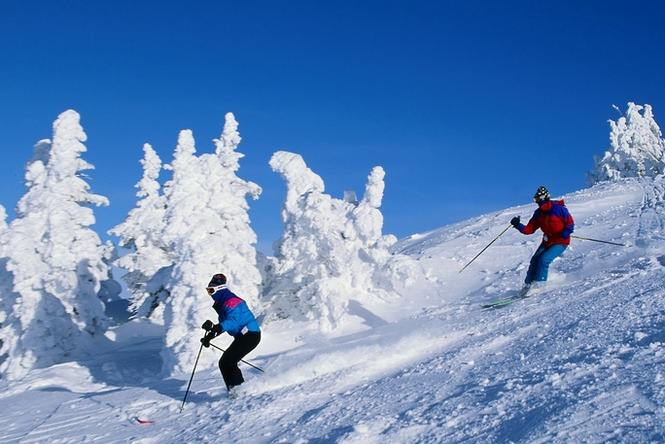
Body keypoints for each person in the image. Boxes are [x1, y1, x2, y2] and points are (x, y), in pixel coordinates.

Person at [200, 273, 261, 396]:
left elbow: (234, 321)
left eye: (211, 290)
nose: (210, 294)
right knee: (225, 362)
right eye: (208, 290)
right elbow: (225, 323)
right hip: (243, 336)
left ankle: (240, 392)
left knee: (228, 362)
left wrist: (216, 327)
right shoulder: (223, 303)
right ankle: (235, 392)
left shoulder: (231, 301)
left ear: (219, 289)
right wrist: (210, 335)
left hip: (250, 335)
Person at [510, 186, 575, 294]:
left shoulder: (559, 209)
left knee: (544, 260)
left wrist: (564, 233)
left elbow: (570, 224)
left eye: (537, 199)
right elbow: (529, 230)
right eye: (535, 200)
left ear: (544, 198)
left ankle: (539, 285)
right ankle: (528, 286)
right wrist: (517, 225)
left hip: (560, 242)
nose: (537, 202)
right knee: (535, 260)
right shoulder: (538, 213)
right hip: (547, 241)